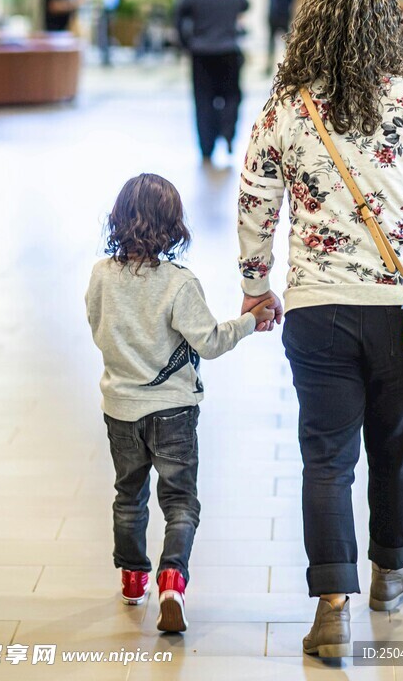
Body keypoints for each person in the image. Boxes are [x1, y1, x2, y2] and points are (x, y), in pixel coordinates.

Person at [237, 0, 403, 659]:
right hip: (402, 311)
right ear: (389, 27)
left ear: (312, 24)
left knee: (325, 458)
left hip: (317, 311)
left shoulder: (285, 109)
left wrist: (257, 286)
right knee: (394, 448)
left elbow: (257, 204)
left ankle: (332, 605)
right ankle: (393, 572)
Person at [86, 173, 273, 633]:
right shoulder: (179, 283)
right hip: (172, 411)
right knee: (180, 501)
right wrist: (250, 322)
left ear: (117, 219)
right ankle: (172, 579)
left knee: (128, 496)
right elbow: (208, 342)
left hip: (121, 408)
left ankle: (133, 579)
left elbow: (96, 326)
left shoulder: (101, 275)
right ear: (174, 226)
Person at [175, 0, 249, 161]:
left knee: (203, 99)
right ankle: (227, 133)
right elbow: (245, 6)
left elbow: (178, 15)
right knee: (232, 96)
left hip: (201, 54)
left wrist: (185, 43)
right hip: (228, 52)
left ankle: (206, 147)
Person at [266, 0, 295, 73]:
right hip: (272, 15)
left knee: (285, 41)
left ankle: (289, 64)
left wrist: (285, 9)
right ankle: (269, 66)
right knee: (270, 42)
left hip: (282, 16)